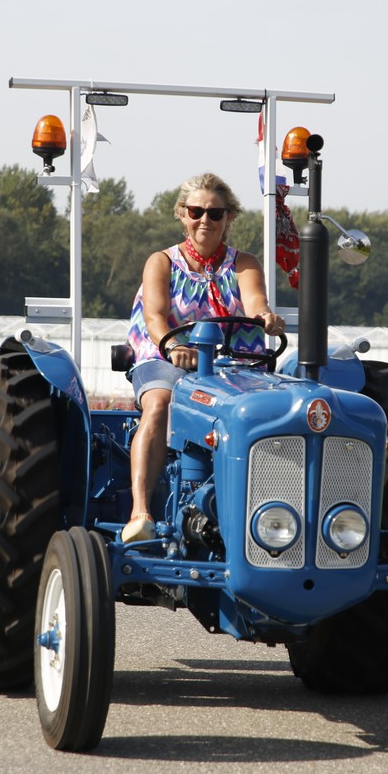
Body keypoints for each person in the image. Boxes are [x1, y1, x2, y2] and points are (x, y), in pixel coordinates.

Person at [122, 173, 286, 542]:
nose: (205, 220)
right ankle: (140, 512)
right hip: (167, 358)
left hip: (233, 365)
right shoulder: (162, 262)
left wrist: (266, 317)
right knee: (160, 402)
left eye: (215, 213)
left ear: (229, 217)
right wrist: (173, 348)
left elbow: (256, 303)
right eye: (196, 211)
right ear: (182, 214)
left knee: (270, 413)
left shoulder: (244, 264)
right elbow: (155, 318)